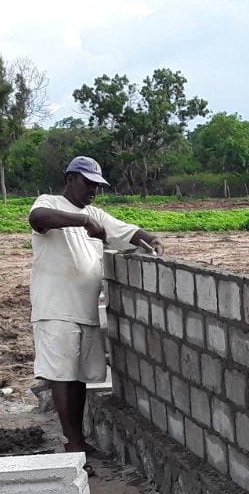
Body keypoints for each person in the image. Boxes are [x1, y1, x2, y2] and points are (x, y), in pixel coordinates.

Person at [28, 156, 163, 454]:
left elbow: (127, 232)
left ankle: (78, 440)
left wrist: (151, 239)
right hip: (55, 310)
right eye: (88, 183)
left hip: (85, 311)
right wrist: (83, 220)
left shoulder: (96, 213)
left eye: (97, 186)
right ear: (71, 179)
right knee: (63, 376)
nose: (93, 191)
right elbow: (38, 219)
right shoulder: (50, 203)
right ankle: (72, 444)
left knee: (78, 379)